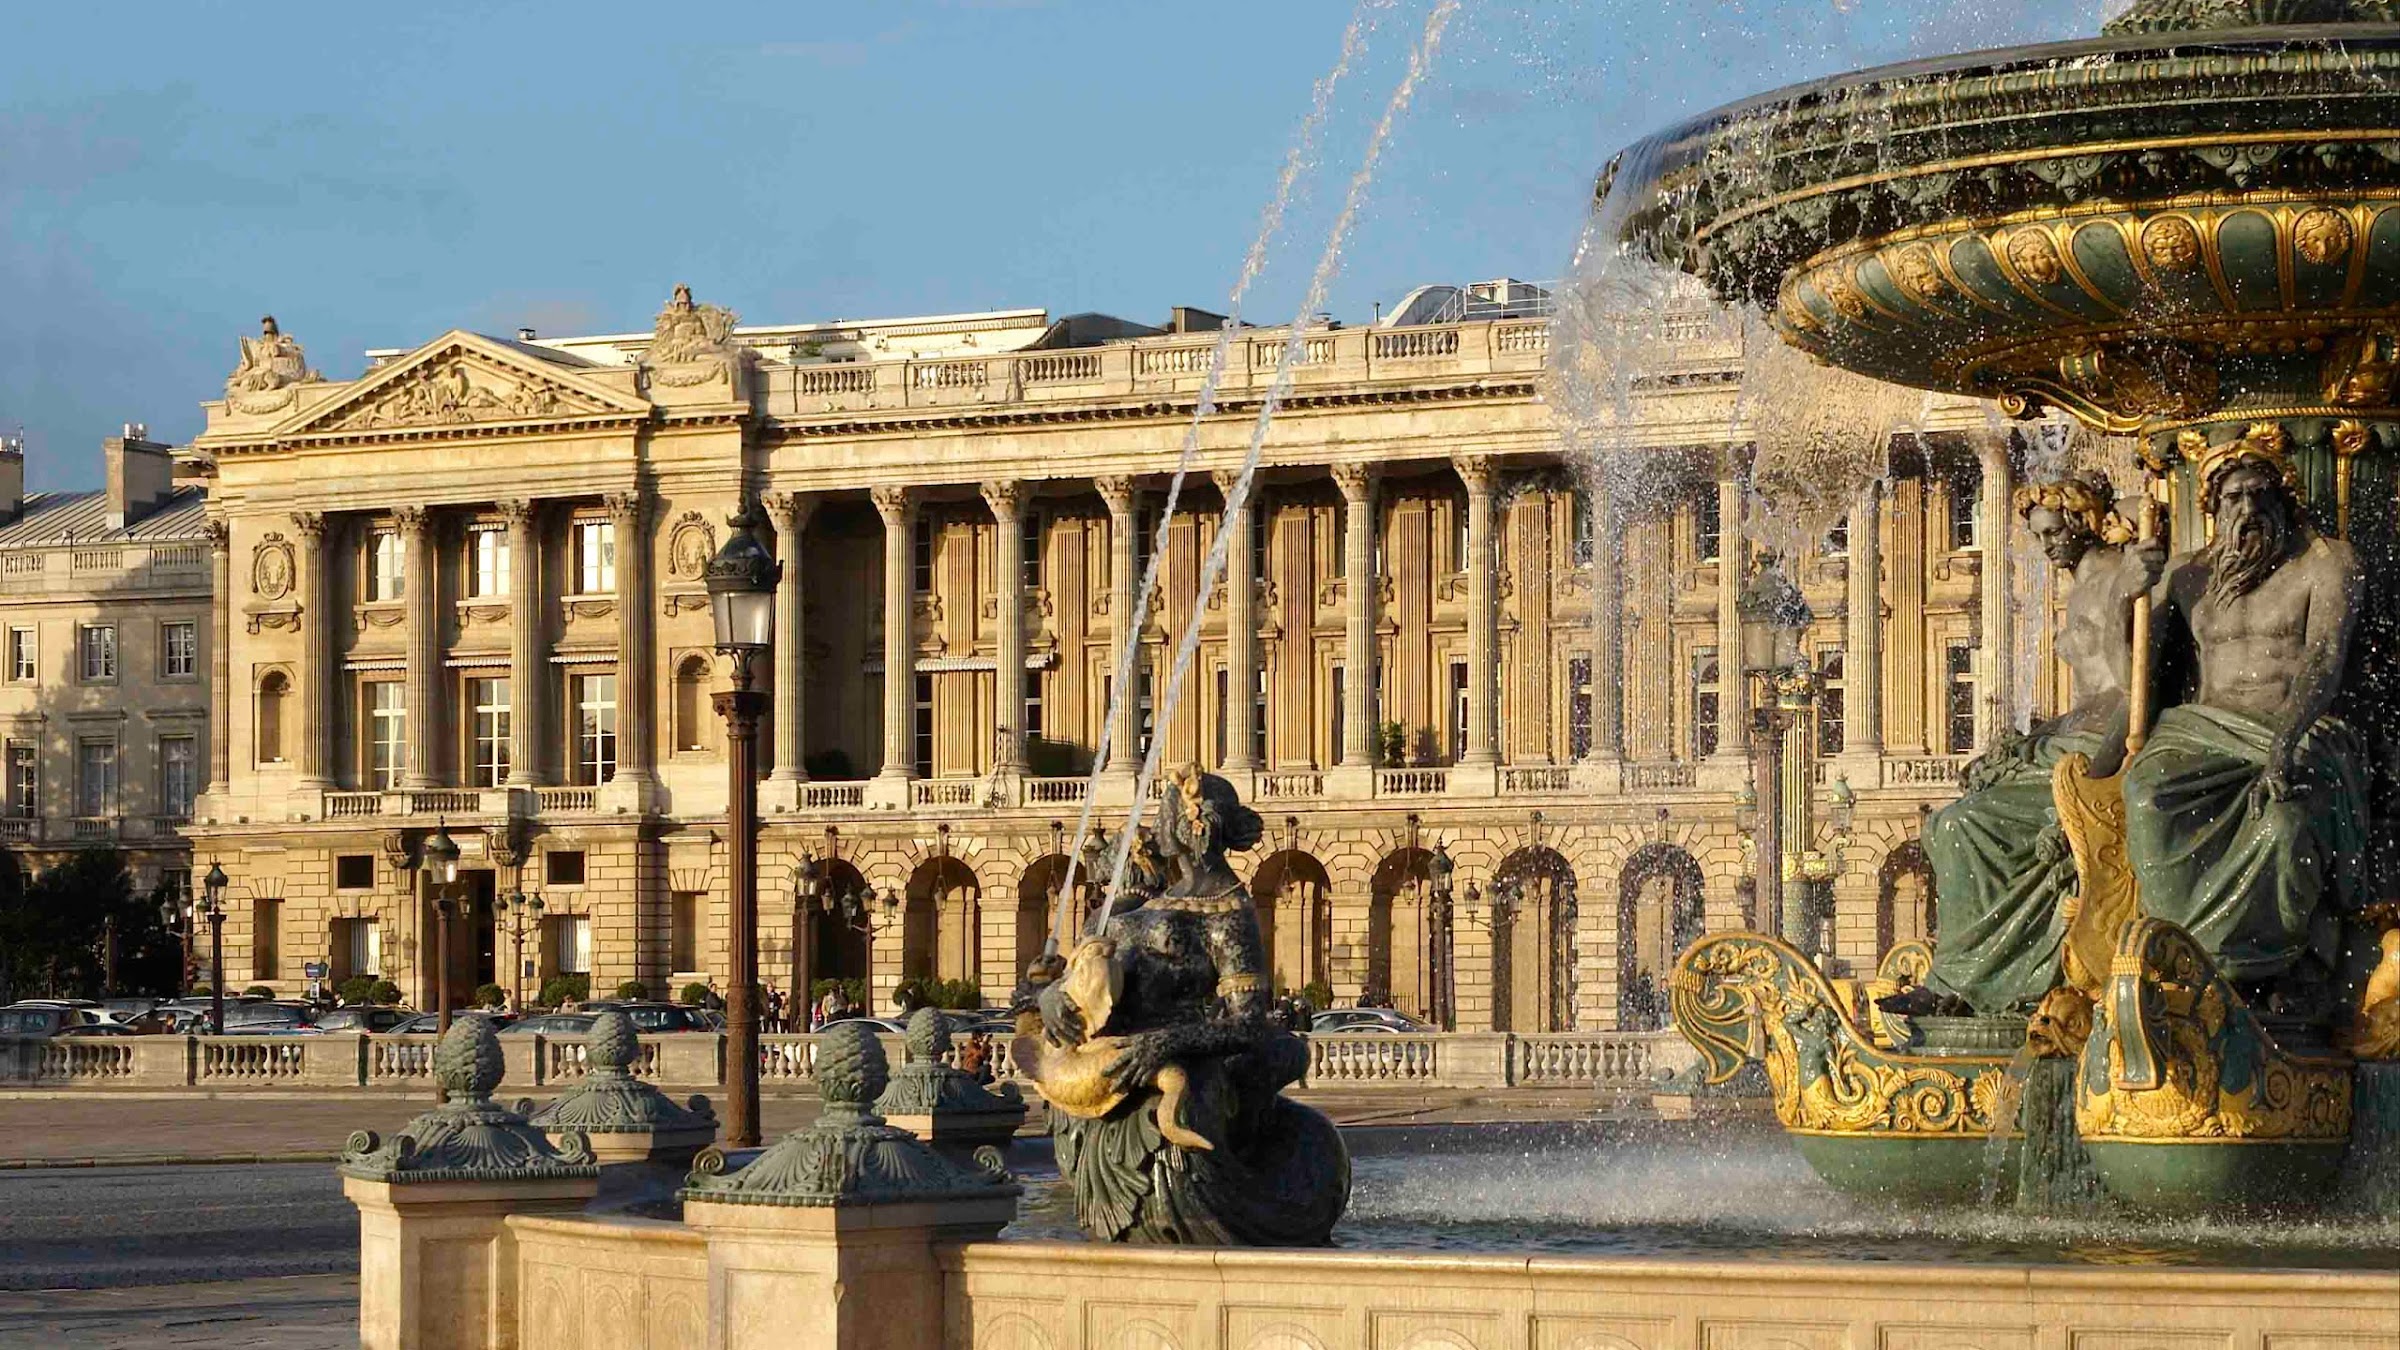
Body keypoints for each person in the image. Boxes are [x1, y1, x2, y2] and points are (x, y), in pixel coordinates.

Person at [1014, 762, 1350, 1245]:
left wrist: (1165, 1042)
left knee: (1171, 1145)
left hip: (1169, 1064)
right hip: (1112, 1063)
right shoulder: (1152, 902)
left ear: (1189, 827)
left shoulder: (1229, 912)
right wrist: (1048, 998)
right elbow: (1074, 978)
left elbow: (1247, 1024)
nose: (1161, 823)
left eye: (1170, 811)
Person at [1881, 472, 2149, 1018]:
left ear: (2085, 522)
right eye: (2040, 536)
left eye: (2054, 533)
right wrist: (2032, 740)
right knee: (1944, 823)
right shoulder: (2080, 588)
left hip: (2102, 749)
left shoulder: (2125, 578)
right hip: (2068, 740)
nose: (2047, 547)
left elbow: (2136, 690)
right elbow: (2091, 694)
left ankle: (1961, 982)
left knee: (1962, 826)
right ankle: (1968, 976)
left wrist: (2089, 784)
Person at [2120, 430, 2367, 1012]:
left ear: (2284, 500)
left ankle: (2271, 969)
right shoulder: (2187, 576)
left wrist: (2286, 741)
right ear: (2213, 508)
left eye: (2260, 496)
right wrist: (2127, 593)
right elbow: (2136, 670)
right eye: (2234, 499)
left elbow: (2325, 658)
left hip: (2296, 728)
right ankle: (2180, 956)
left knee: (2283, 826)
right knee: (2147, 796)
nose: (2248, 510)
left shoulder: (2327, 563)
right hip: (2204, 733)